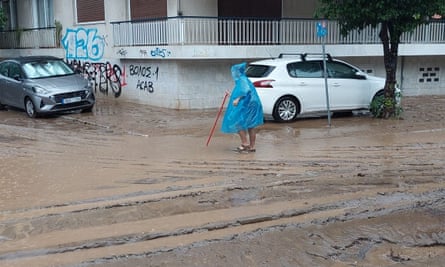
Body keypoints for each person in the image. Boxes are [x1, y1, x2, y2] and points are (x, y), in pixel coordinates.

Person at [221, 62, 264, 152]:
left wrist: (237, 99)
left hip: (249, 105)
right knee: (251, 125)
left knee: (238, 122)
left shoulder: (242, 79)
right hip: (253, 104)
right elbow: (242, 93)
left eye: (234, 72)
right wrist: (231, 95)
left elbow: (245, 91)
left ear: (237, 72)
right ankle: (252, 147)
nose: (233, 74)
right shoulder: (244, 79)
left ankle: (245, 143)